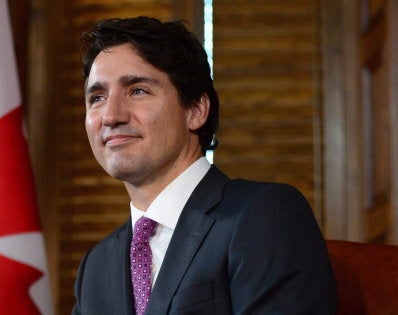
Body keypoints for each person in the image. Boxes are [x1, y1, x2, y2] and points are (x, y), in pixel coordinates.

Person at [72, 16, 336, 314]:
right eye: (97, 97)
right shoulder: (95, 267)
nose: (110, 116)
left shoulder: (264, 215)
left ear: (196, 110)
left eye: (137, 91)